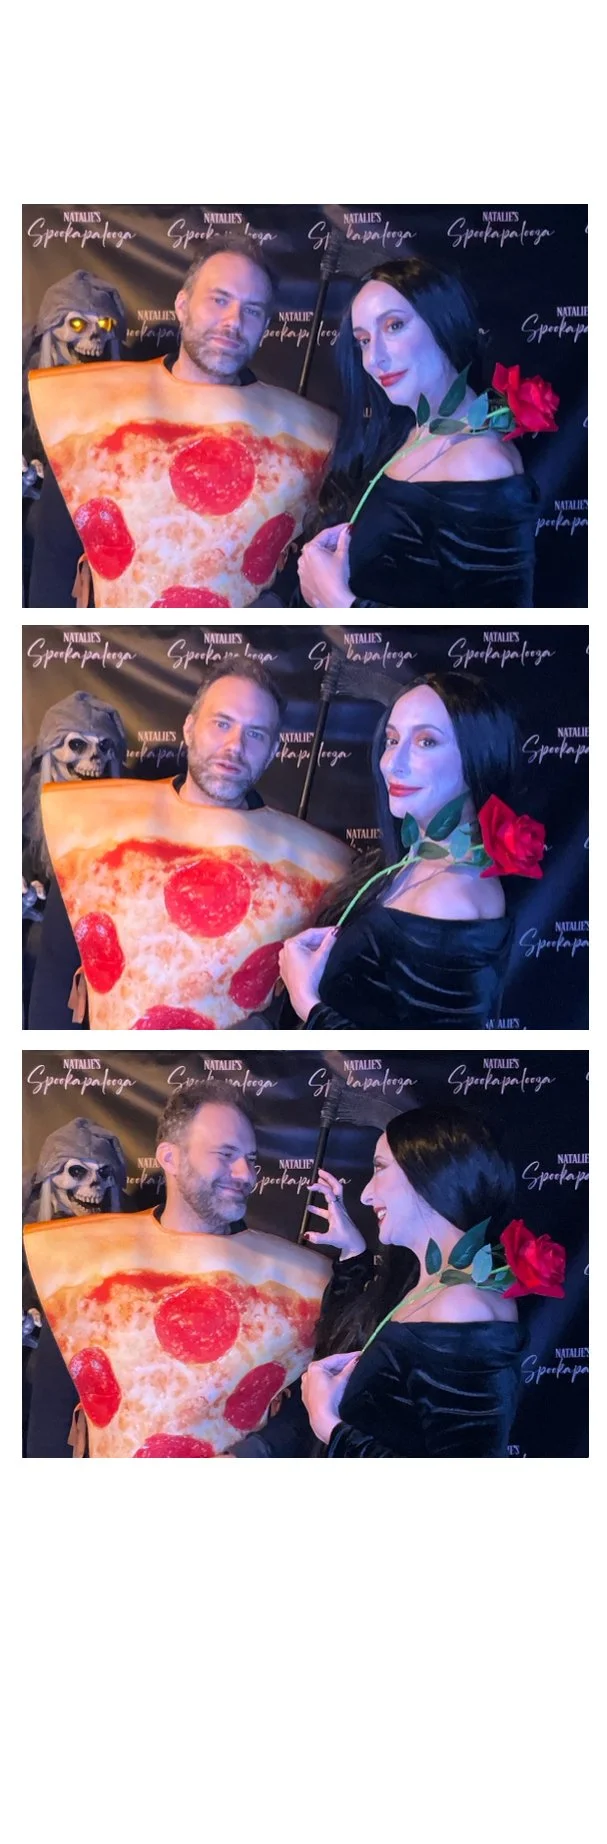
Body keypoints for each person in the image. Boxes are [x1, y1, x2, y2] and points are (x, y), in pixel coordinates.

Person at [27, 658, 350, 1030]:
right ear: (189, 727)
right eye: (222, 723)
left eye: (256, 734)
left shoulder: (314, 869)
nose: (235, 746)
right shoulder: (96, 827)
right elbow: (55, 975)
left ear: (274, 750)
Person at [24, 1083, 333, 1459]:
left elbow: (316, 1399)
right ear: (169, 1158)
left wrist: (257, 1452)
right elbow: (53, 1406)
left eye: (250, 1158)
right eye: (226, 1154)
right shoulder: (87, 1263)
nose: (246, 1174)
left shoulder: (294, 1278)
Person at [28, 239, 336, 608]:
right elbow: (54, 556)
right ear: (182, 305)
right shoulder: (94, 411)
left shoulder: (303, 439)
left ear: (265, 326)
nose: (232, 322)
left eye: (252, 311)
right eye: (219, 300)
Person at [278, 671, 543, 1031]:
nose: (392, 763)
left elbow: (424, 1076)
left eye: (426, 742)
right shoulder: (408, 859)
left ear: (478, 756)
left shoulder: (455, 898)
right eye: (392, 739)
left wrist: (307, 1000)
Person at [299, 1103, 554, 1457]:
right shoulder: (429, 1287)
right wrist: (354, 1256)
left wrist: (328, 1425)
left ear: (428, 1173)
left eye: (379, 1168)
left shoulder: (462, 1307)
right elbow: (348, 1339)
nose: (366, 1194)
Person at [297, 257, 541, 609]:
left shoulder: (479, 463)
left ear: (445, 321)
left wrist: (340, 602)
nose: (373, 358)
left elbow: (493, 634)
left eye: (394, 326)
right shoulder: (410, 431)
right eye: (363, 340)